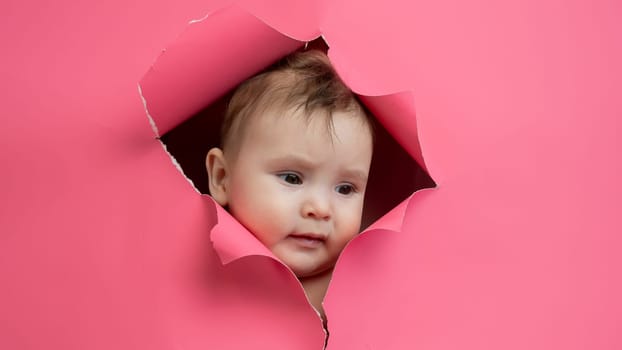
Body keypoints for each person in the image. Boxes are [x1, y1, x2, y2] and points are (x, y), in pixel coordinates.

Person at [205, 50, 374, 321]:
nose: (319, 209)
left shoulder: (361, 290)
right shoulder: (191, 265)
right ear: (222, 177)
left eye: (345, 188)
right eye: (292, 178)